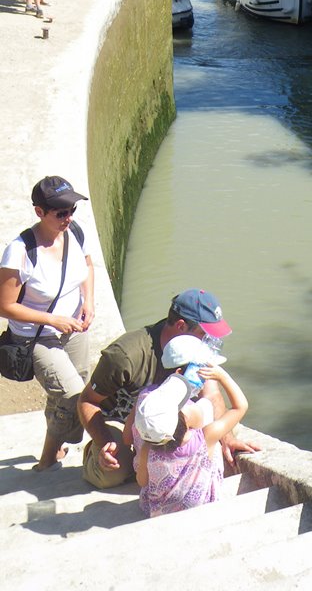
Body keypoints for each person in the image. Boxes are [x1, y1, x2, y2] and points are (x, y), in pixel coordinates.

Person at [78, 288, 257, 489]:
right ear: (181, 326)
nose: (210, 342)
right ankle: (92, 456)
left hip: (168, 422)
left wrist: (228, 438)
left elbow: (212, 394)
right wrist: (105, 442)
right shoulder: (125, 356)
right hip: (124, 423)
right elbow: (86, 400)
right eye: (204, 334)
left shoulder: (198, 352)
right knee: (114, 474)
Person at [0, 177, 94, 470]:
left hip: (74, 328)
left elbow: (88, 266)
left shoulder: (76, 232)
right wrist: (53, 319)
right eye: (60, 213)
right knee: (71, 395)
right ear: (39, 212)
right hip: (37, 335)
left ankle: (56, 445)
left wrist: (89, 302)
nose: (68, 218)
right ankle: (47, 459)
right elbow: (5, 305)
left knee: (73, 388)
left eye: (71, 210)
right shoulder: (20, 250)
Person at [126, 335, 248, 516]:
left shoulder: (145, 405)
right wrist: (224, 377)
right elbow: (240, 406)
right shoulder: (205, 437)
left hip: (158, 511)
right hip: (199, 506)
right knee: (206, 407)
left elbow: (142, 481)